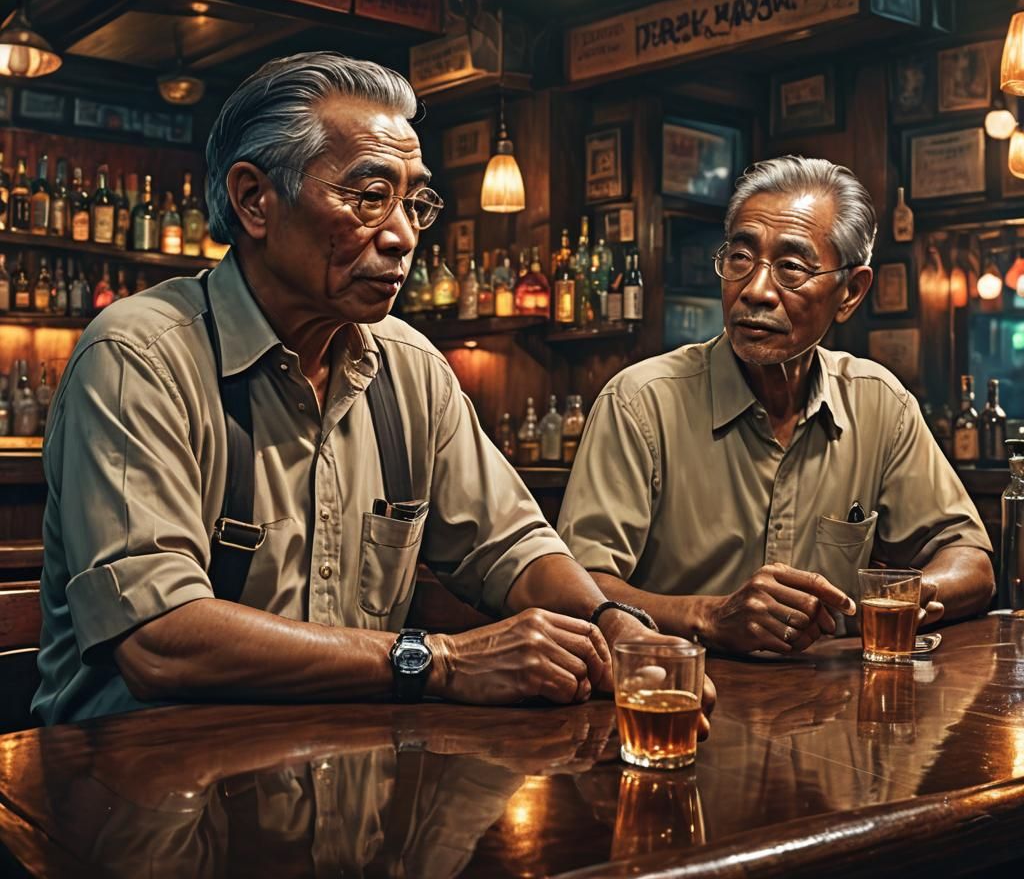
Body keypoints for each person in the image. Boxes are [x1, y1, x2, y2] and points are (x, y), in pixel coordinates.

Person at [33, 52, 715, 725]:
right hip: (142, 786)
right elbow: (158, 641)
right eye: (369, 197)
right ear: (254, 200)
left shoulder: (408, 365)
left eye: (414, 202)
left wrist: (615, 625)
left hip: (347, 778)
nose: (401, 236)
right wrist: (439, 660)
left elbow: (512, 546)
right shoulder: (140, 356)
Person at [558, 155, 995, 655]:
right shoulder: (641, 403)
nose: (756, 290)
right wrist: (708, 615)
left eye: (790, 267)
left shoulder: (879, 402)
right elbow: (579, 593)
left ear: (850, 292)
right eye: (741, 258)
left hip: (835, 715)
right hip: (679, 706)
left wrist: (900, 598)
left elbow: (971, 562)